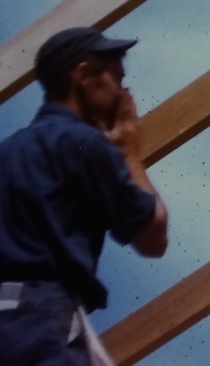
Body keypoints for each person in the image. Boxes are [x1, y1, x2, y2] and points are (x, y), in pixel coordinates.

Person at [0, 27, 169, 366]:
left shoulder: (8, 151)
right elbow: (153, 238)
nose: (124, 94)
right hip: (41, 317)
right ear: (84, 76)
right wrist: (130, 154)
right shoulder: (85, 145)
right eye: (118, 80)